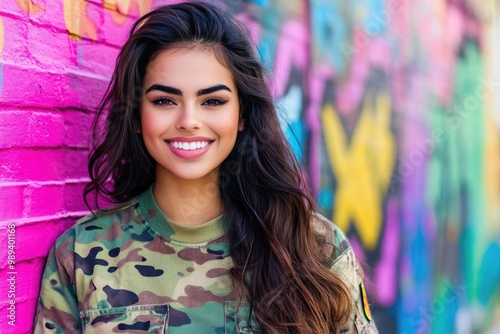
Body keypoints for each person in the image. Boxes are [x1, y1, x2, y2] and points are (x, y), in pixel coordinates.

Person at [34, 2, 378, 333]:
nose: (189, 121)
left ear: (242, 114)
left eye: (213, 101)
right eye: (164, 101)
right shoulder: (81, 253)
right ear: (137, 116)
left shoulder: (316, 248)